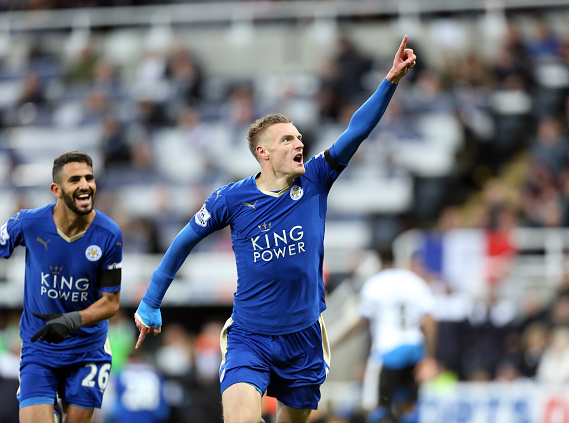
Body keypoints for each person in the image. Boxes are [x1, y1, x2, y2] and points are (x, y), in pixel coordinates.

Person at [134, 35, 417, 423]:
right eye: (287, 139)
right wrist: (151, 300)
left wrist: (390, 82)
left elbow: (356, 131)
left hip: (304, 337)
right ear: (263, 153)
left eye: (299, 137)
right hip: (250, 337)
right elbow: (183, 241)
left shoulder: (316, 179)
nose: (299, 142)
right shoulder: (230, 199)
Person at [0, 151, 123, 423]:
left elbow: (111, 303)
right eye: (75, 179)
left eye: (89, 178)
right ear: (56, 190)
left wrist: (70, 321)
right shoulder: (29, 223)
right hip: (39, 347)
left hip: (88, 349)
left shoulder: (109, 234)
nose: (85, 185)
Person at [331, 248, 438, 423]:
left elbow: (358, 321)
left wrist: (333, 343)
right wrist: (429, 357)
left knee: (375, 405)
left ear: (378, 261)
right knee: (409, 406)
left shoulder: (376, 284)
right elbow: (429, 319)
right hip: (414, 348)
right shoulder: (414, 281)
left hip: (388, 351)